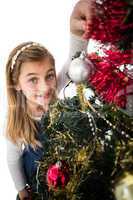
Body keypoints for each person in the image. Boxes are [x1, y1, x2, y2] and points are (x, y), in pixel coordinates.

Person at [5, 1, 94, 199]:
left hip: (68, 173)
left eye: (49, 75)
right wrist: (22, 192)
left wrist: (75, 29)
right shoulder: (17, 117)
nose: (45, 87)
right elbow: (12, 160)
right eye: (33, 80)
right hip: (39, 185)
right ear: (16, 83)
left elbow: (74, 62)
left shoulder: (52, 93)